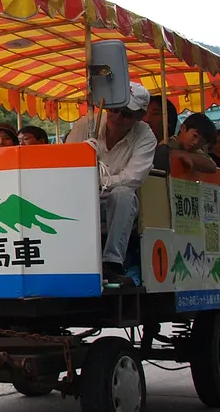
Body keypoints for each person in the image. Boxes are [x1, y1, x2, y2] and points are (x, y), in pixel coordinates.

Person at [64, 83, 158, 286]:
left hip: (115, 207)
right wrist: (82, 155)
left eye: (125, 114)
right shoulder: (86, 125)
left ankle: (112, 263)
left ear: (139, 117)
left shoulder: (145, 136)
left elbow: (134, 177)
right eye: (114, 110)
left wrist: (100, 182)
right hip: (80, 200)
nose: (116, 117)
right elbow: (65, 166)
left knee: (124, 194)